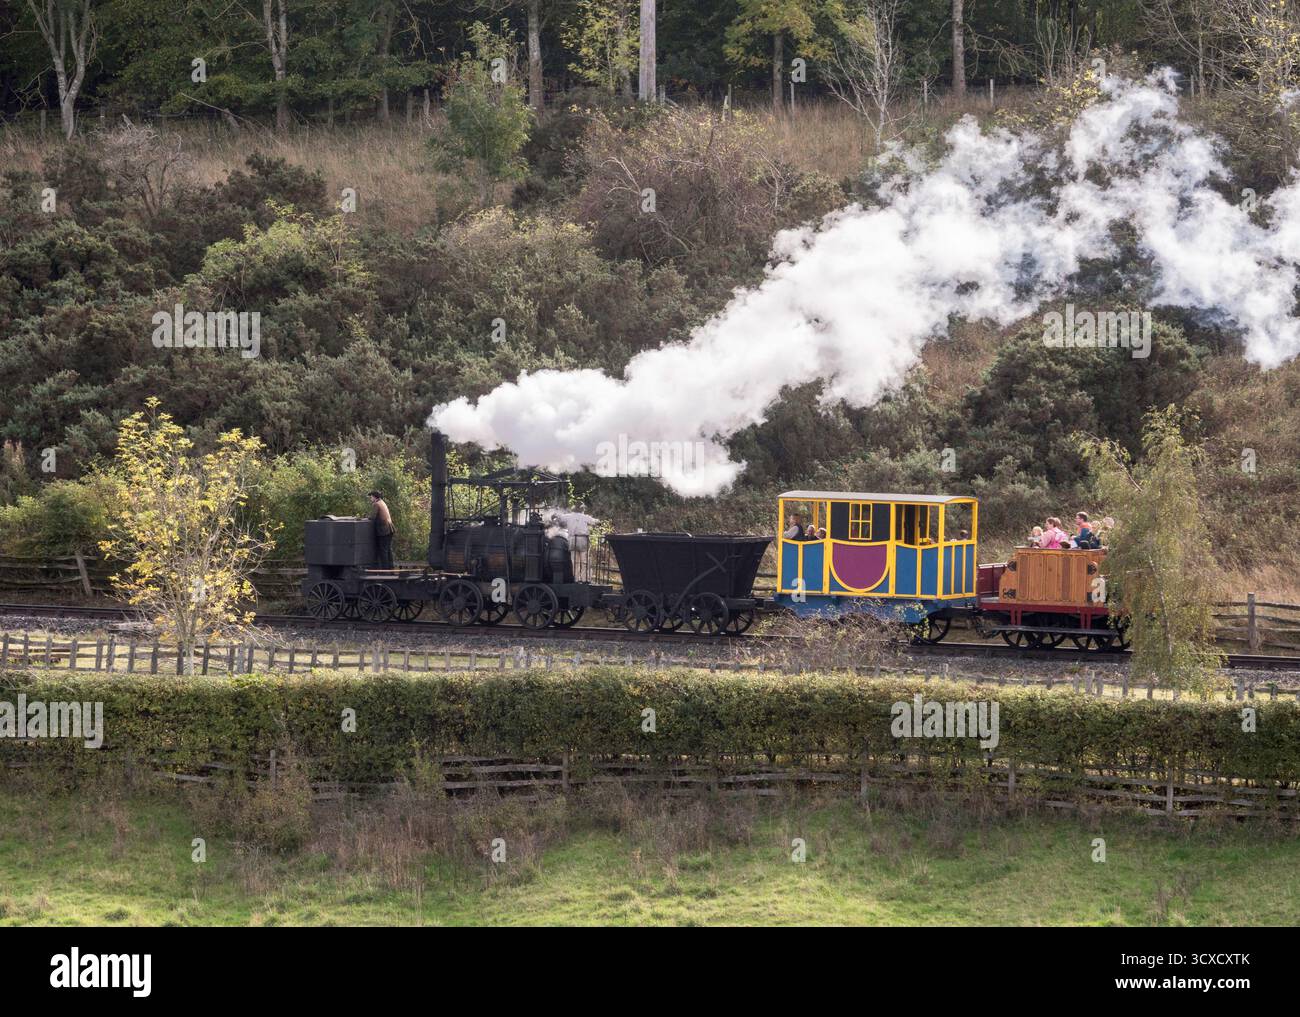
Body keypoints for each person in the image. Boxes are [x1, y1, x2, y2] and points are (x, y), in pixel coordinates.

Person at [369, 490, 395, 568]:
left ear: (374, 497)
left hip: (384, 530)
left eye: (371, 497)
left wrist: (366, 518)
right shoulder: (382, 502)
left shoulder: (376, 504)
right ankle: (391, 568)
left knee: (383, 551)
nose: (370, 498)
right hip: (390, 529)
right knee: (388, 549)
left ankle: (385, 571)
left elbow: (372, 517)